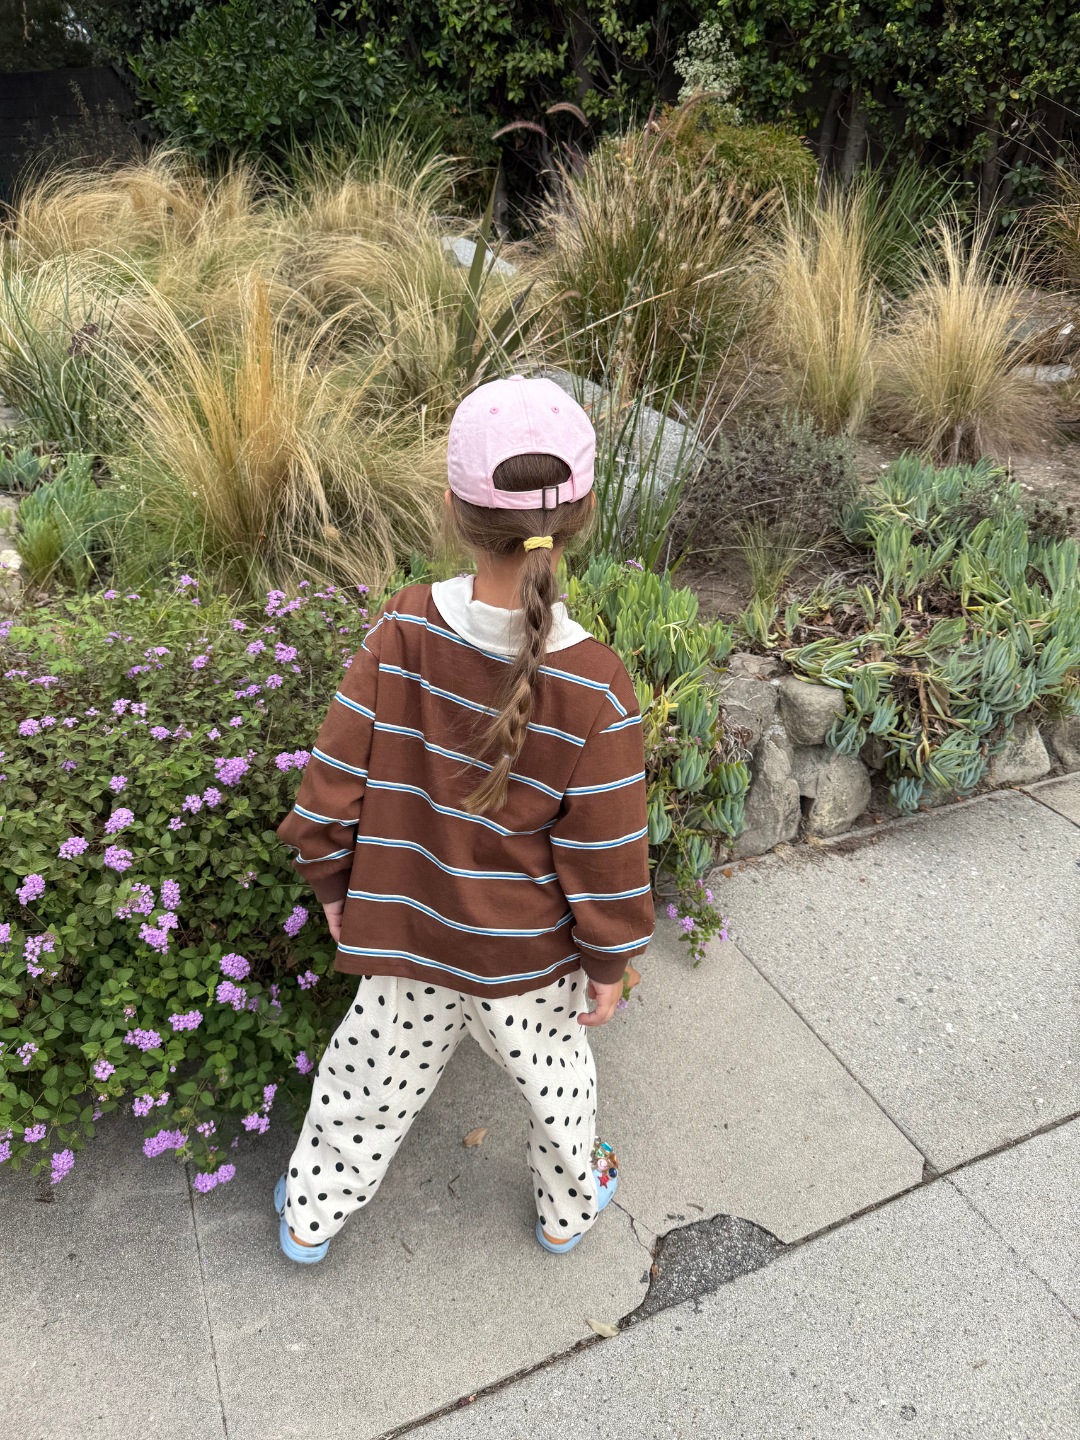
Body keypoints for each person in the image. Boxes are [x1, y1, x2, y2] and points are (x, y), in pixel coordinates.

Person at [274, 374, 653, 1264]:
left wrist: (332, 885)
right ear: (585, 517)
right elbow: (606, 853)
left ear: (451, 509)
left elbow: (330, 785)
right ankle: (566, 1210)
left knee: (369, 1076)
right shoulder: (598, 684)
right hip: (525, 956)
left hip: (408, 930)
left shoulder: (402, 629)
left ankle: (311, 1215)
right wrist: (608, 959)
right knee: (556, 1085)